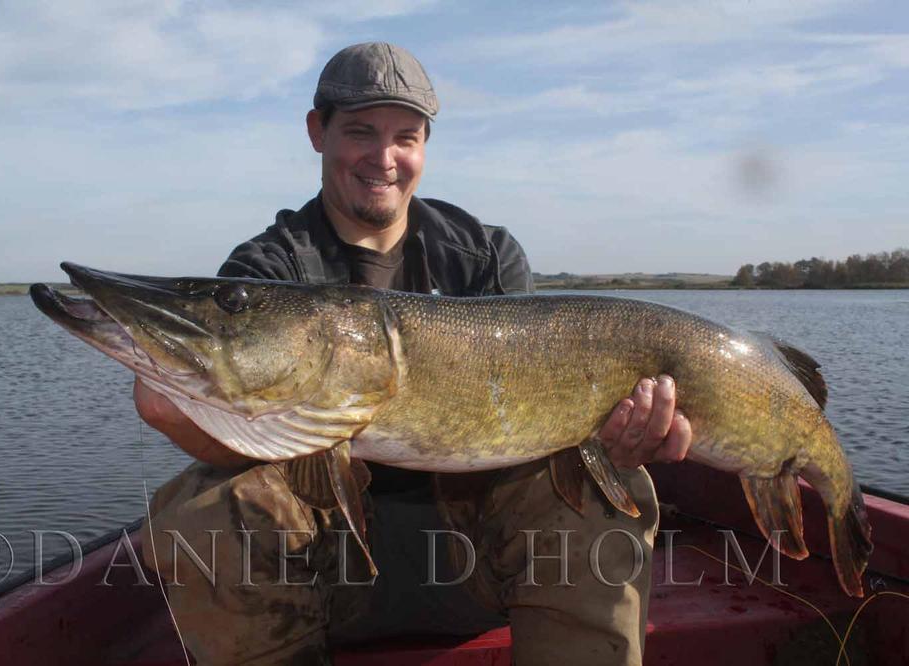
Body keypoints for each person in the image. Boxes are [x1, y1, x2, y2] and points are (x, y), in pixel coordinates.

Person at [135, 42, 692, 666]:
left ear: (426, 145)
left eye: (406, 136)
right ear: (317, 132)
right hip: (323, 574)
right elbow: (222, 432)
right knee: (206, 506)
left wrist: (610, 439)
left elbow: (552, 428)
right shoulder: (268, 273)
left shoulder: (486, 257)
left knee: (602, 489)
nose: (384, 158)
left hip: (477, 566)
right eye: (361, 132)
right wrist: (180, 410)